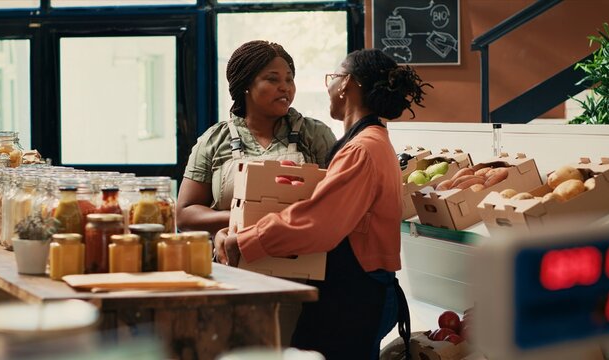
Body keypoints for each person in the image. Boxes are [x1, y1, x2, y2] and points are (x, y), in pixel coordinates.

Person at [215, 48, 430, 360]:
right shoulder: (369, 141)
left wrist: (244, 241)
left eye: (333, 78)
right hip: (357, 292)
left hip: (355, 296)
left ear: (347, 84)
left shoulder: (362, 149)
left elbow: (319, 223)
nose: (329, 86)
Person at [177, 40, 337, 234]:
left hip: (300, 260)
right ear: (246, 85)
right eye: (273, 79)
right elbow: (184, 214)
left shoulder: (315, 134)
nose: (285, 87)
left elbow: (337, 203)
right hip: (230, 261)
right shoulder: (214, 139)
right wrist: (249, 217)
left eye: (289, 79)